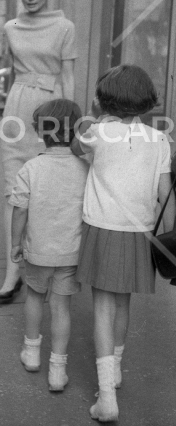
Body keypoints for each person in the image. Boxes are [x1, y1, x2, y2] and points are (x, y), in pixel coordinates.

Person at [71, 64, 175, 422]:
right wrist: (167, 241)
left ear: (104, 99)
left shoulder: (96, 133)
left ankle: (107, 397)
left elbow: (74, 147)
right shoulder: (160, 140)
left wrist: (90, 117)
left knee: (102, 306)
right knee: (122, 303)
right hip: (141, 233)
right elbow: (166, 196)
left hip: (102, 228)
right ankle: (115, 368)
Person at [0, 0, 78, 303]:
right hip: (17, 109)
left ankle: (44, 264)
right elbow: (9, 70)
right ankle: (12, 268)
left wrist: (71, 124)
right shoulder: (10, 28)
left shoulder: (65, 28)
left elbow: (69, 77)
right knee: (13, 191)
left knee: (46, 190)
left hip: (52, 111)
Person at [10, 99, 88, 391]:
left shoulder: (31, 168)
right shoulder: (84, 167)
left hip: (38, 250)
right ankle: (58, 370)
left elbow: (19, 209)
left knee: (34, 297)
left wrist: (15, 244)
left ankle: (31, 353)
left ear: (39, 132)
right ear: (76, 131)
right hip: (70, 252)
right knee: (62, 308)